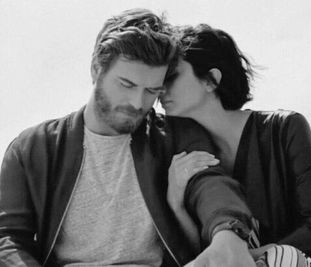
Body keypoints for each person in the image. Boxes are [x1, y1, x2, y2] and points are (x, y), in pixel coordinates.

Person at [0, 10, 257, 267]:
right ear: (96, 69)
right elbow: (8, 238)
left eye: (151, 91)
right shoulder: (33, 148)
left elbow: (211, 185)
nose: (138, 103)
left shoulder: (178, 137)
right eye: (126, 84)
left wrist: (228, 233)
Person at [161, 24, 311, 267]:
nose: (160, 89)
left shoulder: (285, 127)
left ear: (211, 80)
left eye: (172, 76)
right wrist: (175, 203)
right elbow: (204, 252)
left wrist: (251, 255)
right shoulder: (191, 156)